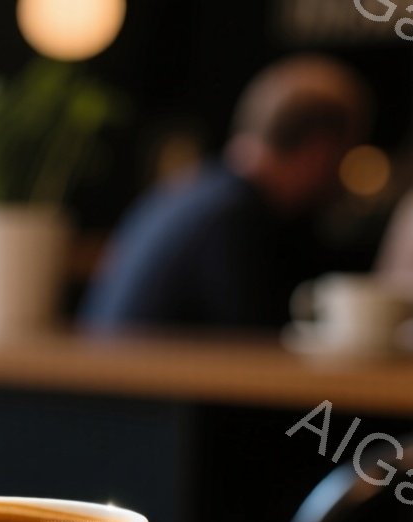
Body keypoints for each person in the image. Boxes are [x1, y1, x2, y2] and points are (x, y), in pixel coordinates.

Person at [82, 56, 371, 330]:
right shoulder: (232, 219)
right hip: (136, 381)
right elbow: (255, 349)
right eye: (342, 156)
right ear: (318, 151)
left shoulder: (195, 193)